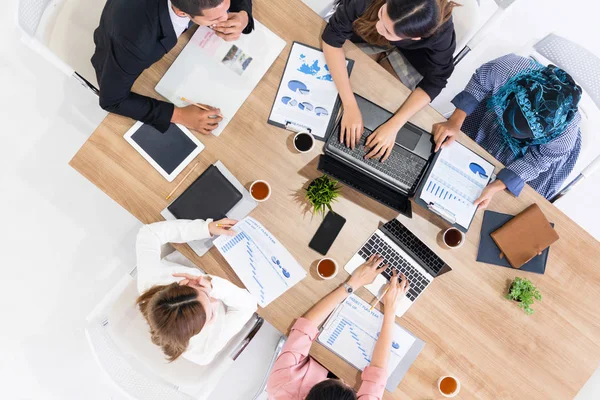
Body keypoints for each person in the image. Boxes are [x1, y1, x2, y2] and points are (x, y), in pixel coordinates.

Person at [432, 54, 582, 205]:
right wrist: (455, 121)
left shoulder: (564, 135)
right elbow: (479, 83)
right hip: (493, 116)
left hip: (536, 151)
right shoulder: (509, 69)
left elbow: (539, 160)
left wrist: (497, 186)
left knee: (508, 201)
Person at [92, 0, 254, 134]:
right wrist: (180, 115)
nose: (225, 17)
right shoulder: (136, 46)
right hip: (124, 39)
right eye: (214, 19)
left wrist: (242, 15)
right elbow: (112, 100)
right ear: (183, 13)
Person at [322, 0, 457, 161]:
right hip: (363, 31)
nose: (380, 26)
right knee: (338, 92)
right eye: (382, 14)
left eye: (388, 30)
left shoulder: (441, 31)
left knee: (378, 108)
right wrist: (350, 105)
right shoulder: (368, 7)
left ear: (414, 38)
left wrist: (395, 125)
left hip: (413, 58)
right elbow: (332, 38)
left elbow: (436, 80)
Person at [266, 255, 410, 399]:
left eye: (339, 382)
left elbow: (305, 327)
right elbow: (377, 374)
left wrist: (353, 284)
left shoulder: (281, 386)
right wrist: (391, 309)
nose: (343, 380)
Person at [136, 217, 257, 364]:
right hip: (235, 282)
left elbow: (149, 233)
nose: (215, 301)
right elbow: (249, 305)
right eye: (211, 314)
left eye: (204, 294)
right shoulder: (203, 352)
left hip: (196, 254)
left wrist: (205, 228)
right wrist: (213, 287)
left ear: (183, 282)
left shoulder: (150, 282)